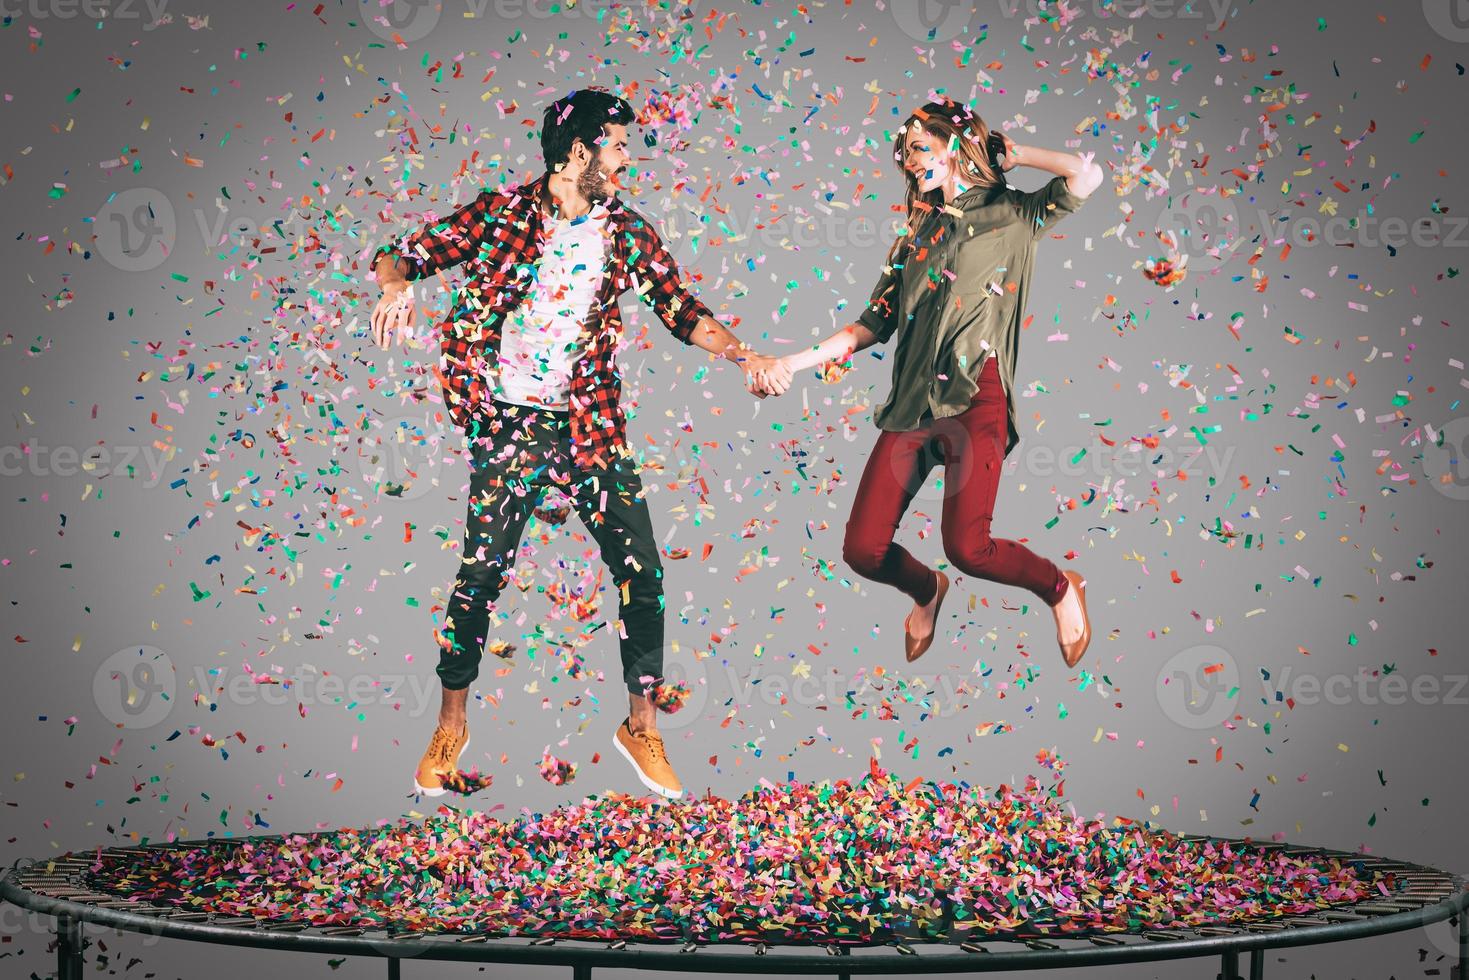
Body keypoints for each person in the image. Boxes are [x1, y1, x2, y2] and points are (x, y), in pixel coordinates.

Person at [369, 87, 789, 801]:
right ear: (577, 152)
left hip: (587, 426)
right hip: (506, 422)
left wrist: (743, 355)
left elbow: (680, 309)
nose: (628, 159)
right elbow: (402, 254)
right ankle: (448, 728)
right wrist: (393, 287)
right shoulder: (499, 213)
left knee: (645, 574)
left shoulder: (625, 231)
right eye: (619, 146)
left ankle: (641, 727)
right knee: (479, 578)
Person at [749, 98, 1101, 668]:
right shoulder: (914, 237)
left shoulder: (1014, 214)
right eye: (904, 153)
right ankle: (925, 591)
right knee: (863, 551)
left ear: (954, 143)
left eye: (918, 147)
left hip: (975, 399)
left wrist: (1011, 153)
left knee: (969, 548)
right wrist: (791, 361)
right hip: (912, 404)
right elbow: (869, 324)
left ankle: (1061, 587)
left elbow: (1086, 175)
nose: (909, 162)